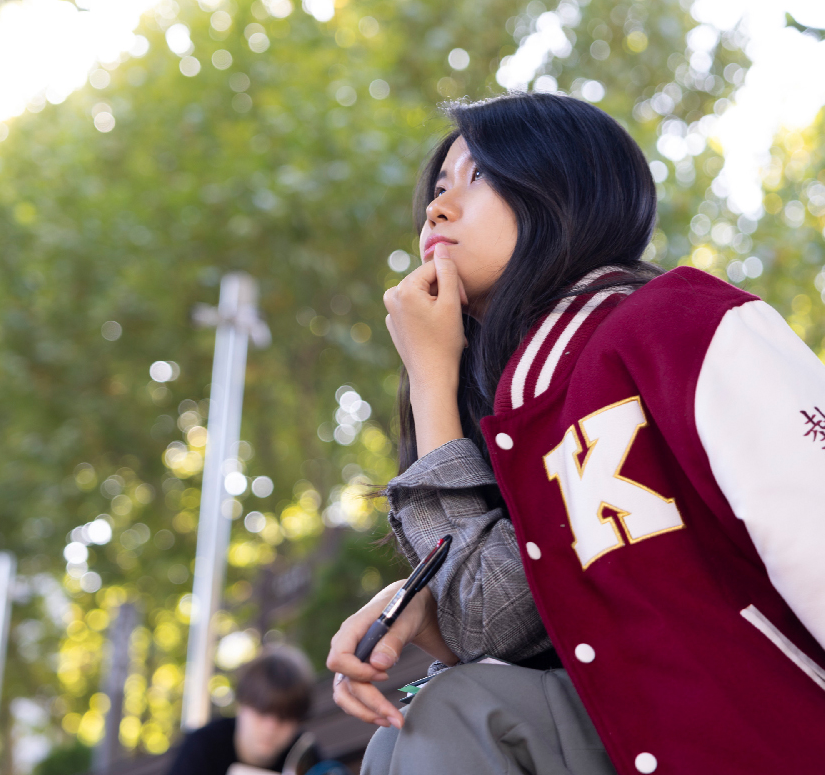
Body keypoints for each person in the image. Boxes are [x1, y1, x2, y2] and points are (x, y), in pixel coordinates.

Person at [326, 92, 825, 775]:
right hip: (644, 736)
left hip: (770, 735)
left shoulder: (679, 323)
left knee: (454, 716)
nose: (437, 209)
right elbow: (487, 616)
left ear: (564, 188)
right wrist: (431, 382)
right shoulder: (520, 402)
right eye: (437, 190)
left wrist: (432, 379)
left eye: (478, 177)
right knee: (412, 731)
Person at [168, 646, 318, 775]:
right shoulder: (202, 748)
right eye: (262, 712)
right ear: (240, 705)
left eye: (284, 717)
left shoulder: (305, 758)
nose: (270, 727)